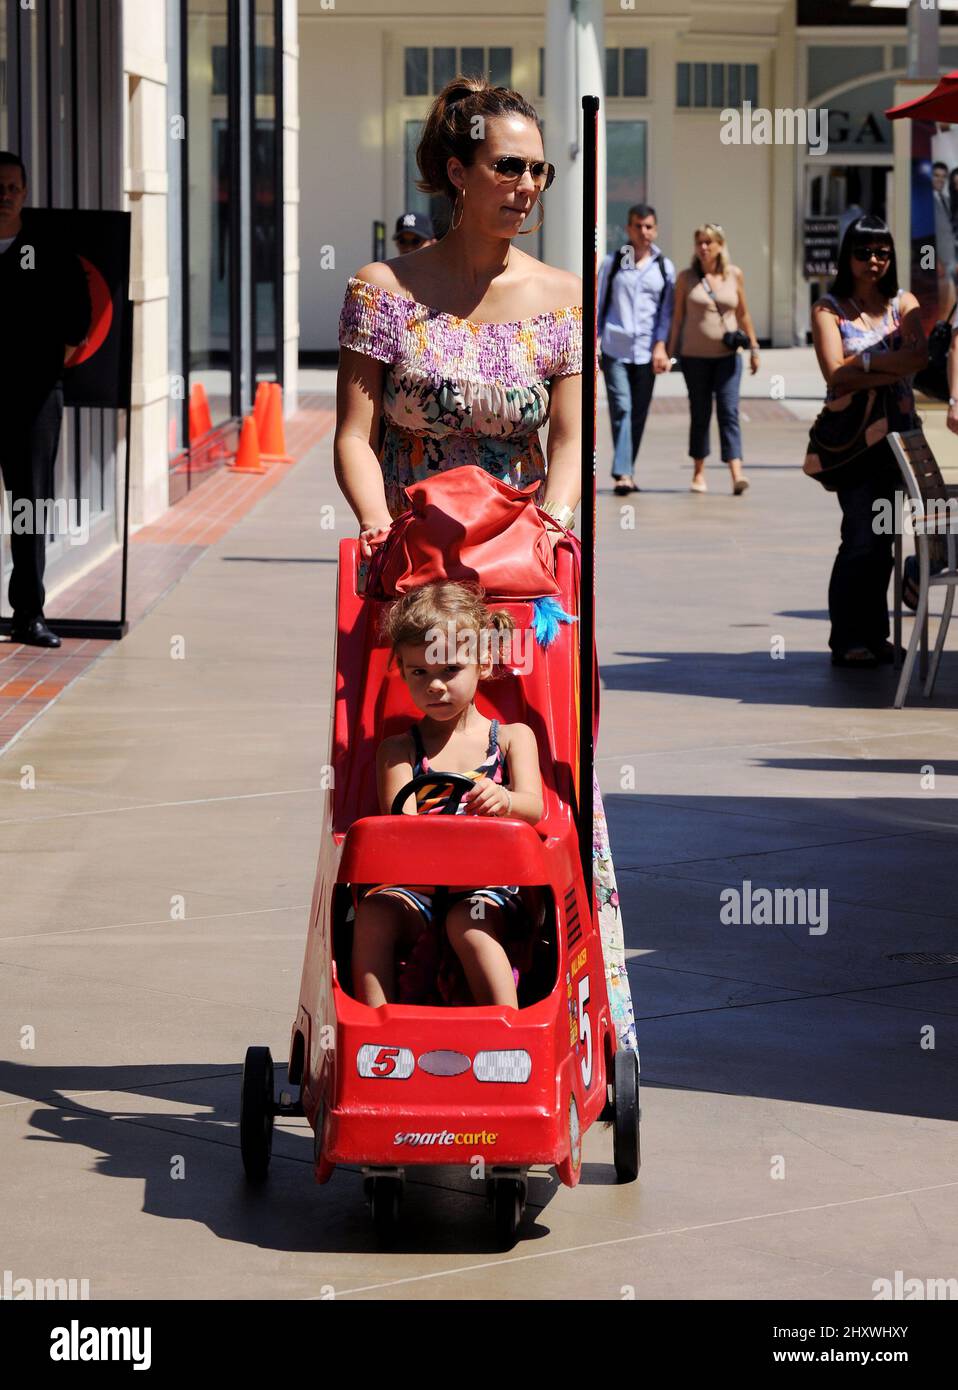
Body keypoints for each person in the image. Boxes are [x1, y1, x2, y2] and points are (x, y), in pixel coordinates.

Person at [334, 72, 637, 1051]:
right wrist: (380, 528)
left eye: (540, 170)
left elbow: (572, 443)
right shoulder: (383, 291)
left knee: (538, 749)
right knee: (397, 750)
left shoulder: (558, 295)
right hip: (413, 568)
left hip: (522, 572)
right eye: (508, 166)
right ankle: (382, 958)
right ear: (457, 171)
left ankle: (542, 973)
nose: (528, 185)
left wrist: (552, 523)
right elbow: (353, 431)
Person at [352, 581, 544, 1008]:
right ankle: (374, 1033)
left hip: (490, 886)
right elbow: (400, 828)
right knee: (374, 915)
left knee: (467, 922)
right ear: (401, 669)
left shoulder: (512, 739)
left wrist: (506, 800)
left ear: (484, 662)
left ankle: (505, 1034)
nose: (434, 686)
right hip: (417, 885)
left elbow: (535, 807)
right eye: (419, 672)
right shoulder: (398, 750)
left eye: (450, 670)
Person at [810, 214, 927, 668]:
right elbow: (833, 373)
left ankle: (876, 635)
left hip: (898, 442)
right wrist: (885, 362)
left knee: (885, 537)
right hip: (856, 444)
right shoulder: (829, 307)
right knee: (859, 535)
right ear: (847, 257)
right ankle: (847, 638)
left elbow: (918, 358)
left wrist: (863, 364)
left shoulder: (904, 302)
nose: (873, 261)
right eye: (863, 253)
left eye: (882, 253)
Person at [0, 151, 91, 647]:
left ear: (26, 193)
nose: (5, 195)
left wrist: (39, 361)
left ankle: (27, 615)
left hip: (33, 400)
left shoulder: (47, 248)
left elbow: (79, 317)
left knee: (29, 506)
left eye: (13, 187)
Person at [667, 222, 758, 495]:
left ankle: (736, 474)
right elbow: (678, 317)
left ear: (720, 246)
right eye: (699, 243)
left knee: (729, 411)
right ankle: (698, 473)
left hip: (728, 357)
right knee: (700, 412)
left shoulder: (734, 275)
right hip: (694, 358)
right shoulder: (686, 278)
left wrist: (753, 347)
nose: (703, 248)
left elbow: (743, 314)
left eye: (709, 242)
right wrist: (670, 352)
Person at [596, 203, 675, 495]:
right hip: (616, 348)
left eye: (649, 226)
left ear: (656, 229)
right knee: (623, 409)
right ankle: (623, 474)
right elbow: (599, 304)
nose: (644, 232)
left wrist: (661, 347)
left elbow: (666, 314)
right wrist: (594, 343)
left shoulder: (665, 267)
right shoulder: (613, 262)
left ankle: (627, 466)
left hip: (647, 352)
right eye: (638, 226)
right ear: (629, 229)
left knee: (638, 413)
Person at [932, 161, 956, 319]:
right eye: (936, 176)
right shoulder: (925, 201)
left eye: (943, 177)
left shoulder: (947, 199)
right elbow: (924, 237)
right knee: (936, 306)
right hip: (937, 262)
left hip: (951, 260)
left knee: (949, 305)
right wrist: (933, 261)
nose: (940, 180)